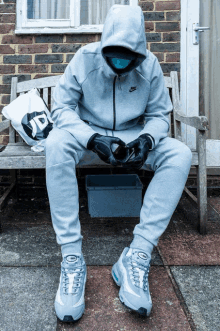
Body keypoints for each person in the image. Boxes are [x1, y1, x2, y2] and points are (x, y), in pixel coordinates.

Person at [45, 4, 192, 323]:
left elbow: (157, 115)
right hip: (89, 138)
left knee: (180, 153)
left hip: (132, 138)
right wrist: (92, 138)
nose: (121, 64)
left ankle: (137, 256)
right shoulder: (83, 59)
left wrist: (146, 141)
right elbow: (62, 110)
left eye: (129, 56)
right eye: (114, 55)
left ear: (140, 50)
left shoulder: (150, 65)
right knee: (55, 143)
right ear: (104, 44)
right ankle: (72, 258)